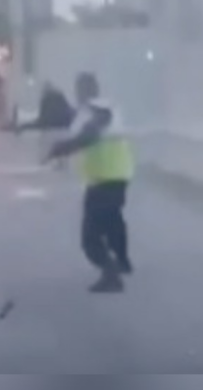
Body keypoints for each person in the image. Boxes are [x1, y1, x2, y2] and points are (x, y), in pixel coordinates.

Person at [46, 72, 134, 293]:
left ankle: (111, 274)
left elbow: (89, 135)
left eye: (78, 89)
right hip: (119, 175)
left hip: (102, 179)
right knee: (113, 221)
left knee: (90, 237)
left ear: (83, 91)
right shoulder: (111, 106)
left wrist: (61, 149)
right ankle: (122, 262)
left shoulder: (94, 111)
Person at [15, 81, 75, 167]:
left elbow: (41, 122)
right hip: (65, 134)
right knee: (63, 165)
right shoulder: (63, 101)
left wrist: (23, 127)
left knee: (43, 163)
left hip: (49, 135)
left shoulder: (46, 100)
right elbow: (72, 115)